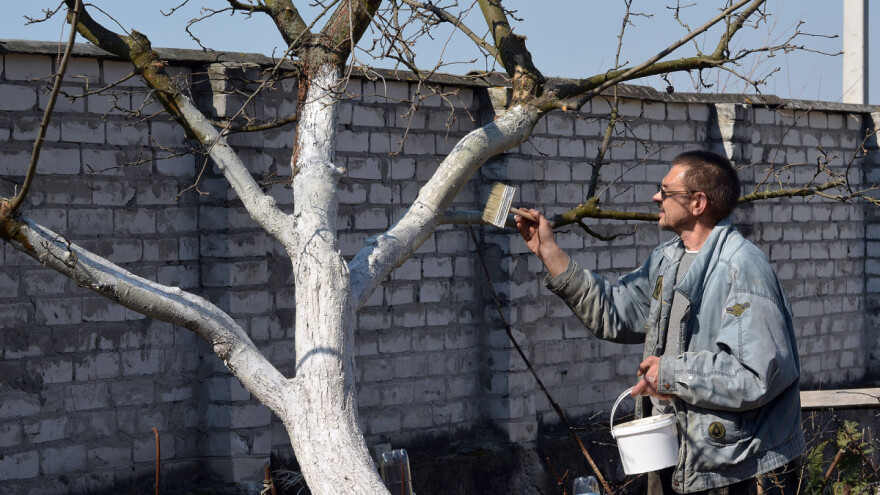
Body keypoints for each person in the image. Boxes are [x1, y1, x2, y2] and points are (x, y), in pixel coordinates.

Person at [515, 150, 804, 494]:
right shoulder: (667, 261)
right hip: (673, 453)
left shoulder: (742, 270)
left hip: (730, 468)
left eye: (666, 192)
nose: (656, 197)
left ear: (698, 203)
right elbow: (615, 312)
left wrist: (669, 375)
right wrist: (548, 251)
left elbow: (756, 375)